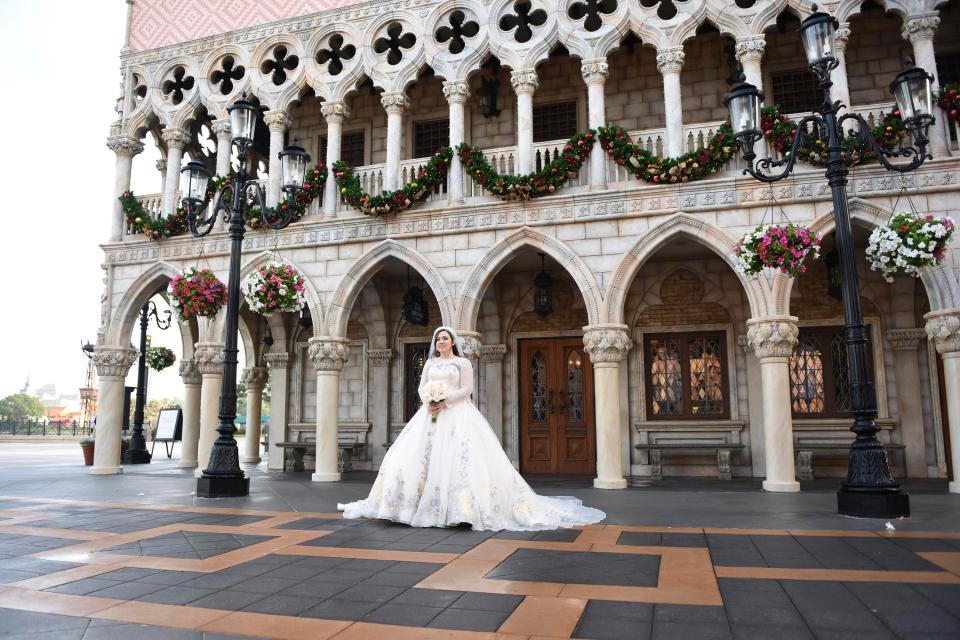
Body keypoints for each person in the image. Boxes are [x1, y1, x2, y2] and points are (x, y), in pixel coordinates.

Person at [338, 326, 605, 531]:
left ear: (452, 342)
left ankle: (462, 510)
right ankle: (409, 507)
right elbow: (421, 387)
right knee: (411, 458)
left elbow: (467, 389)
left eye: (445, 338)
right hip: (429, 415)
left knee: (461, 459)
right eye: (438, 339)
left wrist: (445, 400)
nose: (441, 342)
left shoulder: (462, 363)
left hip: (456, 414)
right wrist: (429, 400)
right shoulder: (429, 363)